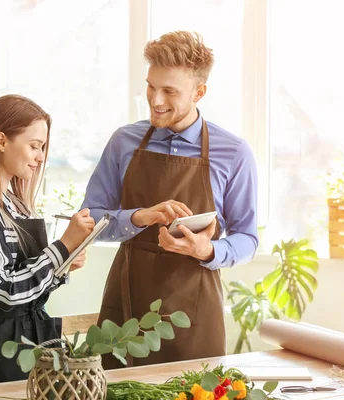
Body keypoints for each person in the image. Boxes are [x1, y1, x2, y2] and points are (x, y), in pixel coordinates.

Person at [81, 31, 258, 368]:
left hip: (195, 311)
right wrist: (139, 217)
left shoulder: (234, 153)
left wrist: (207, 250)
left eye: (170, 91)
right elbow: (90, 221)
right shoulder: (124, 142)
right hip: (127, 303)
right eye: (151, 86)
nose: (156, 100)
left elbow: (247, 237)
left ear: (199, 92)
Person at [0, 94, 95, 386]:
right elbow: (4, 291)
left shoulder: (17, 205)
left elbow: (29, 293)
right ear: (1, 141)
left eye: (43, 148)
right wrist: (61, 248)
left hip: (36, 342)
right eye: (35, 146)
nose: (40, 158)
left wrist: (64, 265)